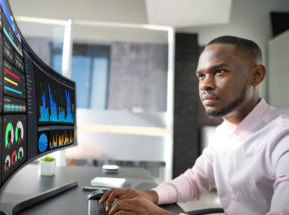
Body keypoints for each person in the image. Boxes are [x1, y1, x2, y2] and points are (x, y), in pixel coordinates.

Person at [99, 35, 289, 215]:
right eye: (201, 75)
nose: (205, 85)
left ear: (256, 75)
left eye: (219, 71)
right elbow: (194, 180)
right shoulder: (223, 132)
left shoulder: (283, 135)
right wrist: (150, 195)